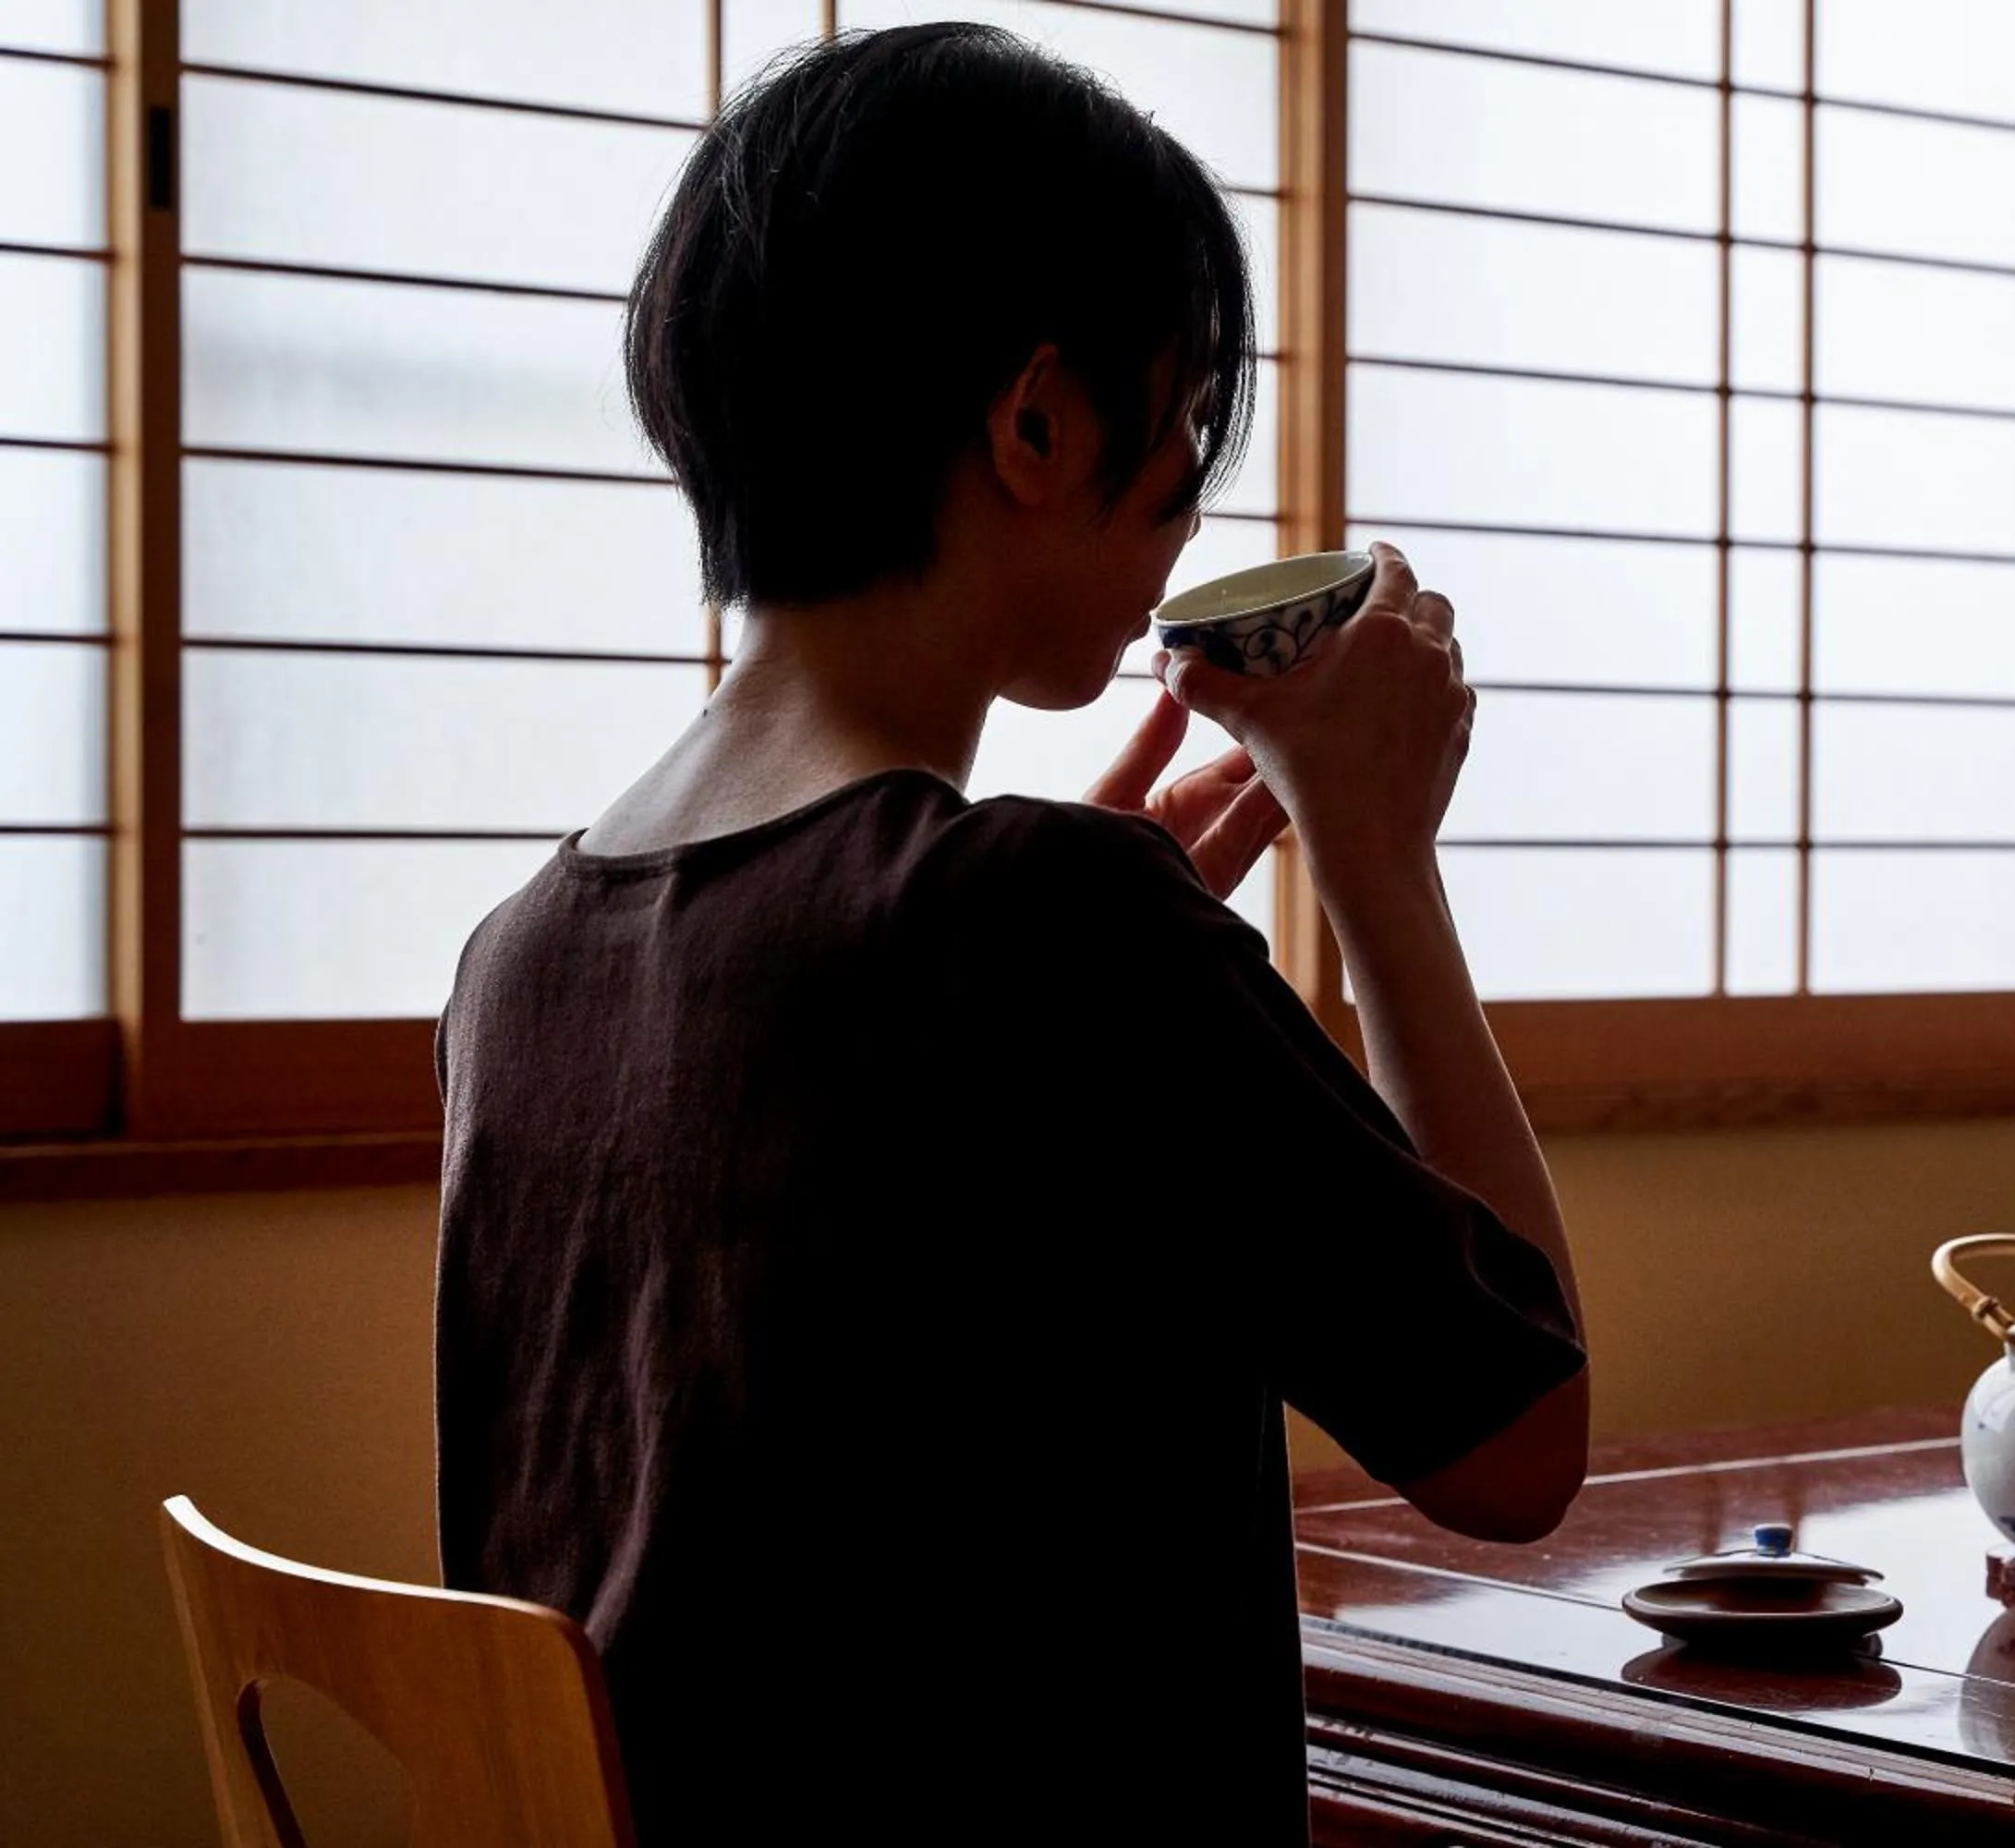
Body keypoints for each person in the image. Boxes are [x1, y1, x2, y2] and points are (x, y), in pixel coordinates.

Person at [432, 23, 1588, 1842]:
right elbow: (1517, 1447)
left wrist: (1122, 946)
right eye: (1185, 422)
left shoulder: (518, 957)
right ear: (1038, 422)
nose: (1190, 500)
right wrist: (1376, 858)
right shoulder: (1041, 926)